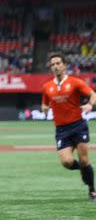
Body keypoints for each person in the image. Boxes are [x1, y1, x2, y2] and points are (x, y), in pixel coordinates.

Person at [41, 52, 96, 201]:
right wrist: (44, 108)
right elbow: (44, 103)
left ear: (65, 65)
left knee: (84, 159)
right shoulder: (47, 87)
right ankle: (85, 171)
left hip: (78, 126)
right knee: (67, 162)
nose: (55, 66)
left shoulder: (75, 82)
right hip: (61, 130)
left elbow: (93, 94)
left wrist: (90, 105)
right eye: (53, 64)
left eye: (58, 63)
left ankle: (92, 189)